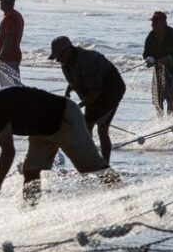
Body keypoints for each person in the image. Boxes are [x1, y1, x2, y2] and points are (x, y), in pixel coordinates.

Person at [0, 87, 111, 205]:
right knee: (30, 170)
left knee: (93, 166)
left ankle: (124, 196)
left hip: (64, 118)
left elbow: (8, 151)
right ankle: (30, 209)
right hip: (41, 130)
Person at [50, 36, 126, 164]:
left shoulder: (88, 61)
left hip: (111, 90)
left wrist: (78, 106)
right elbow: (75, 80)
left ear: (68, 50)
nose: (58, 59)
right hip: (93, 93)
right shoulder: (65, 63)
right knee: (86, 128)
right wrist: (68, 91)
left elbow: (96, 90)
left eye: (59, 55)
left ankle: (104, 165)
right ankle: (90, 161)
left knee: (102, 129)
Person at [143, 11, 173, 117]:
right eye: (153, 22)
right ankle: (160, 121)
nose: (153, 25)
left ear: (164, 22)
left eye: (156, 22)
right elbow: (146, 53)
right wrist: (148, 59)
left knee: (171, 99)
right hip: (158, 69)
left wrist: (168, 59)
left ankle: (170, 120)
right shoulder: (151, 35)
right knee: (158, 98)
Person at [0, 0, 24, 87]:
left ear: (7, 4)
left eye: (2, 2)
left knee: (8, 88)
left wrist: (2, 55)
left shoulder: (10, 17)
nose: (0, 4)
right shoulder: (15, 14)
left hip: (9, 57)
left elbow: (9, 38)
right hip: (13, 56)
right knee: (14, 85)